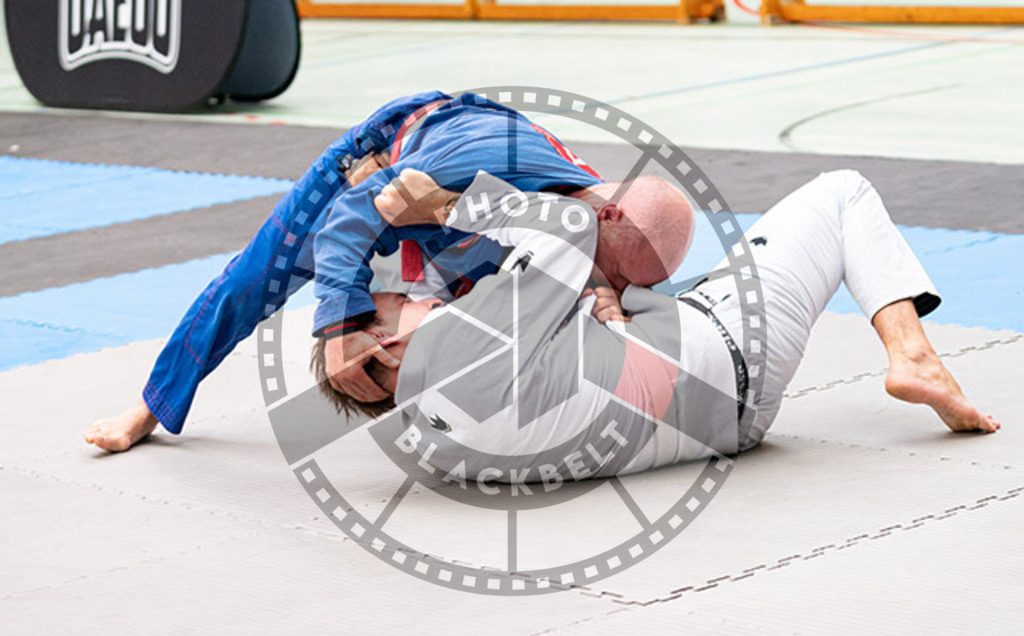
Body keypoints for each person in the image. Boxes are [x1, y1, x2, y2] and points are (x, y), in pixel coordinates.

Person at [84, 91, 694, 452]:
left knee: (495, 299)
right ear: (606, 213)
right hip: (383, 168)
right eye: (613, 270)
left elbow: (587, 269)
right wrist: (336, 324)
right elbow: (350, 215)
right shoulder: (486, 169)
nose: (611, 280)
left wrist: (608, 296)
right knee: (256, 278)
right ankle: (150, 405)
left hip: (456, 203)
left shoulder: (593, 213)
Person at [313, 169, 998, 484]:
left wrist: (597, 305)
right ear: (390, 341)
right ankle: (915, 356)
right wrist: (443, 204)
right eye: (391, 303)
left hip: (731, 426)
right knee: (841, 194)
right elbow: (574, 223)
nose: (411, 292)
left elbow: (554, 366)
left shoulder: (433, 450)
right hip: (731, 345)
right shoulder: (465, 339)